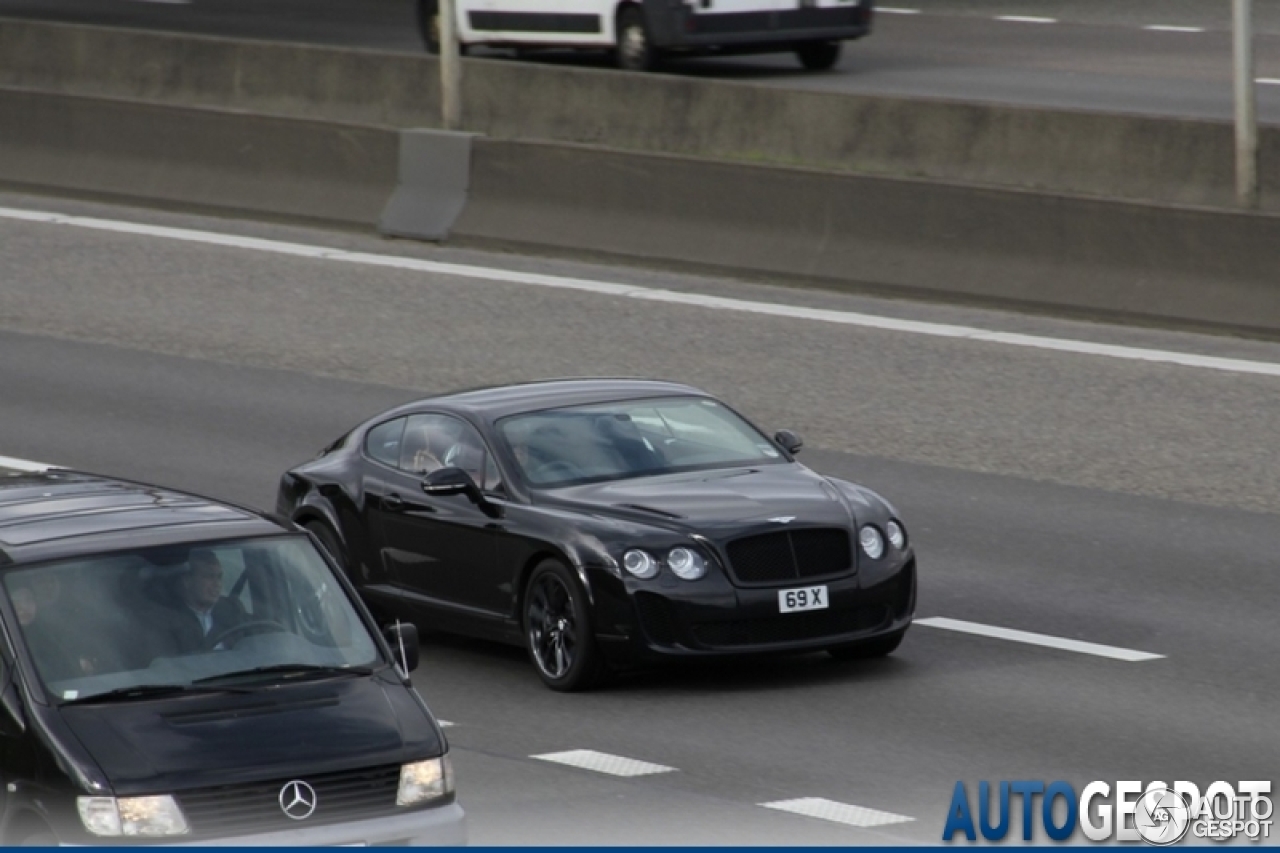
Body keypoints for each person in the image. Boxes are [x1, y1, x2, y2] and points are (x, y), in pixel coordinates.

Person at [155, 550, 246, 653]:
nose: (217, 584)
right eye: (209, 577)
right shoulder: (167, 618)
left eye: (219, 577)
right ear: (187, 581)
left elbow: (257, 641)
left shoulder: (232, 609)